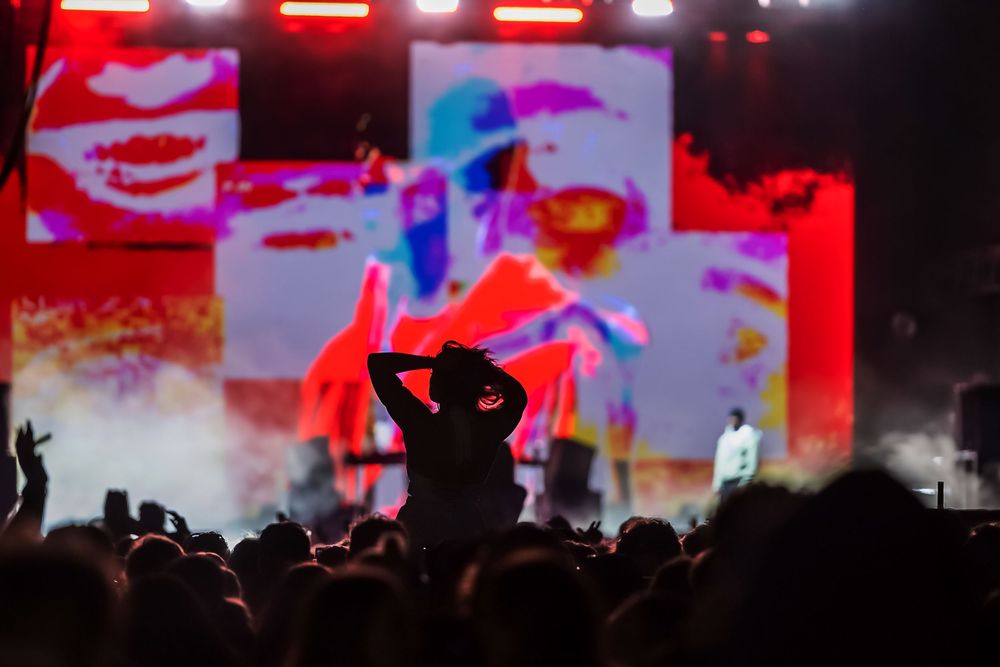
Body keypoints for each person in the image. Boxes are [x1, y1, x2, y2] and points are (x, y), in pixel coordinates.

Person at [367, 341, 528, 547]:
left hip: (417, 528)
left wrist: (431, 362)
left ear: (444, 384)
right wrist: (478, 369)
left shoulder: (419, 422)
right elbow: (518, 396)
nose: (431, 377)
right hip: (467, 531)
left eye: (435, 374)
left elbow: (377, 364)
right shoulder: (488, 431)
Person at [711, 408, 761, 504]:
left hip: (738, 482)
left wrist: (745, 482)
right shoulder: (724, 438)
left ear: (740, 420)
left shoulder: (748, 435)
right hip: (725, 484)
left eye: (735, 418)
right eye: (731, 418)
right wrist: (717, 484)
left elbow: (752, 460)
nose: (733, 421)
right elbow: (719, 462)